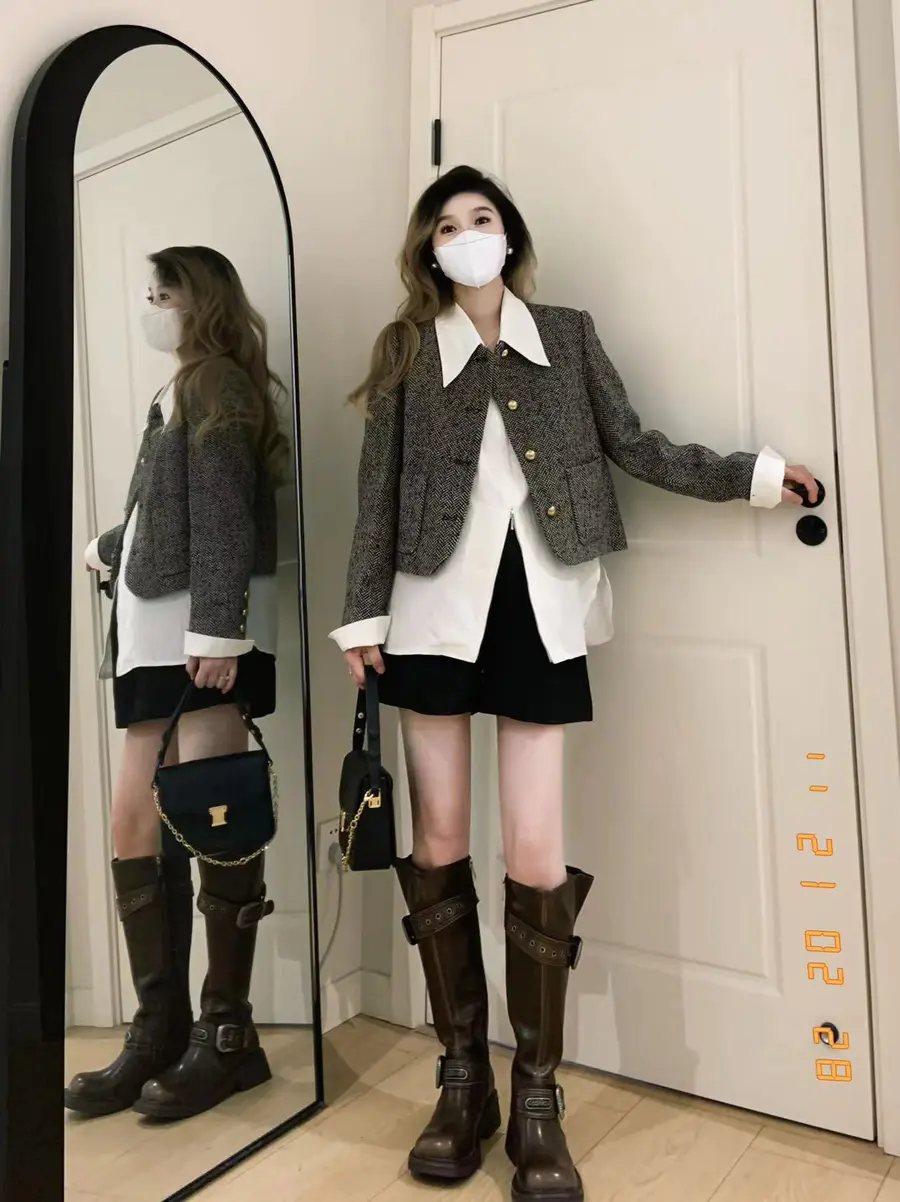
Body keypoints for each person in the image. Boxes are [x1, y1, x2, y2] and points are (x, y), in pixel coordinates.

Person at [330, 166, 818, 1202]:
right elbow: (377, 495)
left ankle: (537, 1096)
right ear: (428, 251)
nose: (467, 235)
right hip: (430, 612)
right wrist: (362, 616)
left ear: (509, 236)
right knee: (439, 840)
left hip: (542, 606)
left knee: (537, 848)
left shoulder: (568, 334)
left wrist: (752, 476)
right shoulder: (409, 349)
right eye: (448, 226)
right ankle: (462, 1081)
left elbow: (633, 444)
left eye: (482, 219)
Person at [65, 246, 289, 1122]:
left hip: (201, 637)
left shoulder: (218, 384)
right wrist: (110, 546)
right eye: (149, 294)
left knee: (215, 819)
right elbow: (170, 513)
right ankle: (159, 1028)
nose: (152, 307)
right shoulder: (178, 389)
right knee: (136, 822)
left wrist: (221, 632)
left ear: (204, 302)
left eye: (164, 294)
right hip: (154, 636)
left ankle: (227, 1035)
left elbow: (226, 512)